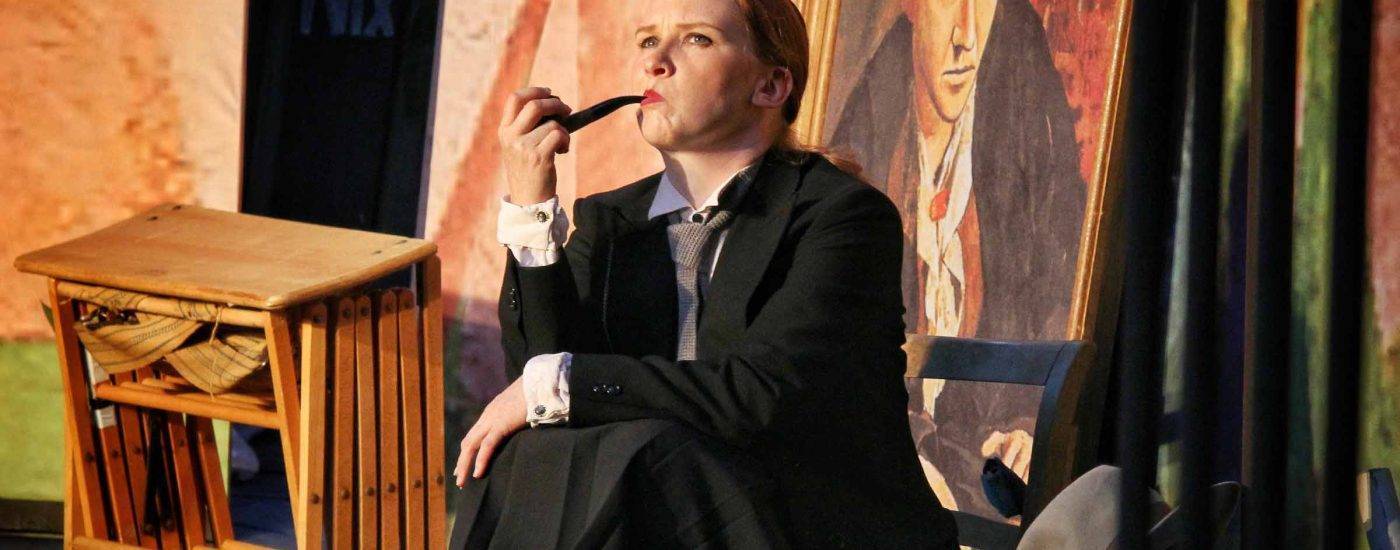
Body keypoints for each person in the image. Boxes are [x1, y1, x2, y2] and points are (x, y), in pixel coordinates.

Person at [448, 0, 957, 547]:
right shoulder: (613, 222)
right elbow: (539, 381)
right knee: (520, 450)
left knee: (648, 454)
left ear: (770, 86)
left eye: (697, 39)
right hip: (668, 512)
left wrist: (560, 384)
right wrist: (531, 207)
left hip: (807, 522)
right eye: (648, 41)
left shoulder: (841, 216)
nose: (656, 62)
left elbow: (761, 393)